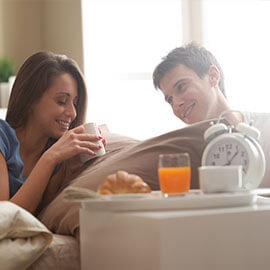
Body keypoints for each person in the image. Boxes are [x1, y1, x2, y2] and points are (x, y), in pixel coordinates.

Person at [0, 51, 105, 215]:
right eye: (62, 101)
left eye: (75, 104)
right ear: (30, 98)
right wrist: (49, 158)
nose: (73, 113)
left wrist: (69, 170)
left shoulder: (59, 154)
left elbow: (43, 216)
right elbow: (4, 219)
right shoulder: (2, 138)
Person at [152, 42, 242, 126]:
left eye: (181, 87)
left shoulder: (256, 127)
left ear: (213, 76)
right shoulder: (182, 143)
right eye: (170, 100)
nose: (176, 105)